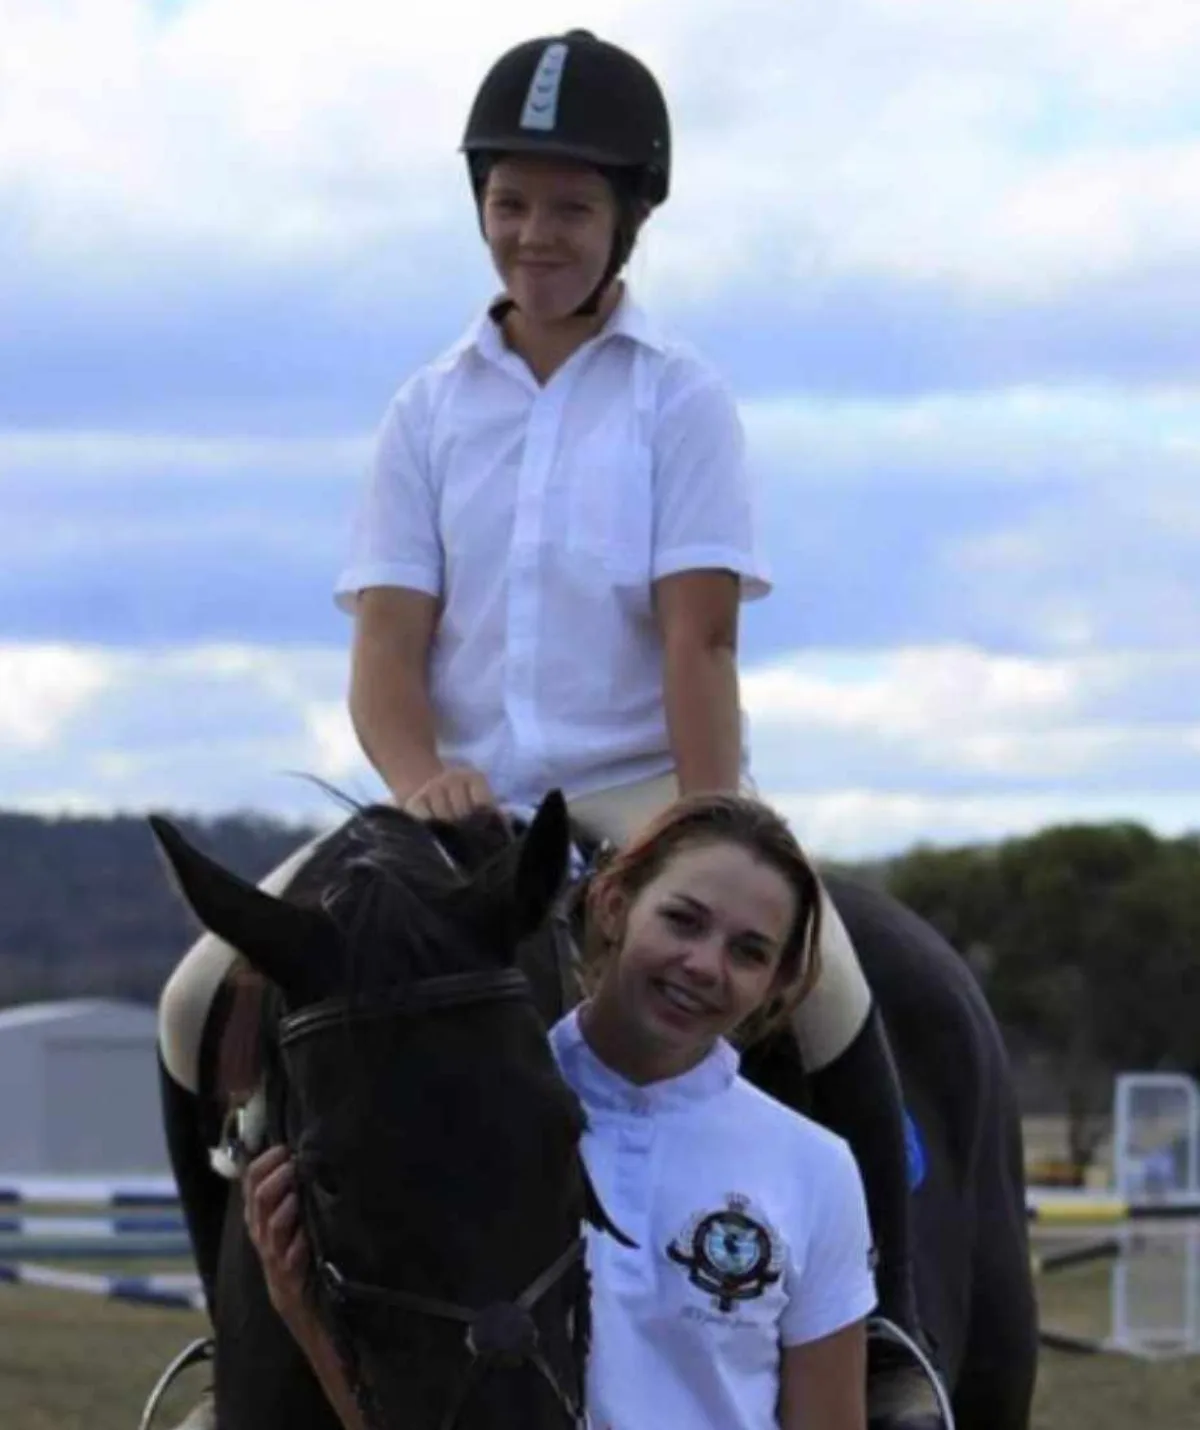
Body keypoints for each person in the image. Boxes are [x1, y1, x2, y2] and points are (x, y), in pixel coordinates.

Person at [154, 27, 942, 1427]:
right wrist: (419, 777)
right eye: (511, 203)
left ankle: (880, 1333)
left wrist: (717, 830)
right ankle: (234, 1331)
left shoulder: (679, 399)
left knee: (834, 995)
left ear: (627, 216)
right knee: (198, 994)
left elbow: (697, 636)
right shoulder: (426, 410)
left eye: (571, 207)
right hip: (448, 809)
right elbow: (386, 652)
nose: (536, 234)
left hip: (643, 790)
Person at [246, 793, 876, 1430]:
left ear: (778, 980)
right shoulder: (477, 1127)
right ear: (611, 906)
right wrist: (300, 1313)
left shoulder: (815, 1166)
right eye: (683, 921)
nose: (705, 965)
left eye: (749, 952)